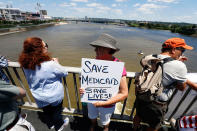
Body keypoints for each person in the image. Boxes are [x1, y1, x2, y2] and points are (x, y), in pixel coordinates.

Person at [133, 37, 197, 131]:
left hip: (141, 95)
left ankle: (134, 128)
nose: (182, 53)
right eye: (182, 50)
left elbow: (162, 70)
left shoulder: (151, 57)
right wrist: (180, 70)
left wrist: (176, 61)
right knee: (154, 126)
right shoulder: (179, 66)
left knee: (138, 115)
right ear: (174, 49)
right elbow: (182, 87)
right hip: (156, 103)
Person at [18, 37, 69, 131]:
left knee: (46, 112)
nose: (47, 48)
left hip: (39, 96)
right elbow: (65, 73)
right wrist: (57, 63)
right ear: (40, 49)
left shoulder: (25, 65)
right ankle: (59, 126)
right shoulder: (50, 64)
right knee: (57, 113)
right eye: (46, 46)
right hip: (54, 96)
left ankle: (50, 125)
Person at [80, 33, 128, 131]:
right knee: (92, 116)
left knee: (105, 121)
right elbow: (90, 82)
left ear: (109, 50)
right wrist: (83, 89)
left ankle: (105, 128)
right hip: (91, 101)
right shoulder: (93, 63)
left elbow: (124, 93)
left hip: (107, 104)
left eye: (98, 48)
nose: (95, 50)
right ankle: (93, 125)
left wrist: (104, 103)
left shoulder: (118, 66)